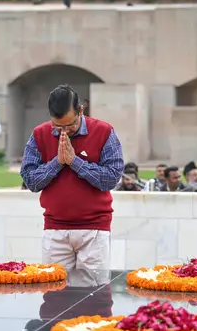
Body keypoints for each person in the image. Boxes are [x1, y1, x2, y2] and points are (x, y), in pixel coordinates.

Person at [20, 84, 123, 271]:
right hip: (54, 229)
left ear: (81, 110)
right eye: (58, 126)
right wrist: (58, 162)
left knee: (94, 295)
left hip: (94, 229)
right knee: (54, 295)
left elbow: (111, 178)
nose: (64, 131)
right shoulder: (39, 134)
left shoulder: (104, 132)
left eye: (70, 125)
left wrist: (75, 162)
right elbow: (30, 181)